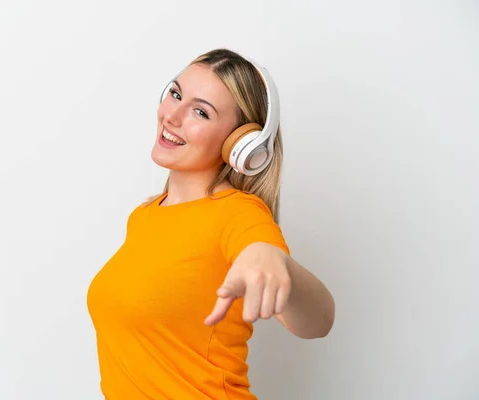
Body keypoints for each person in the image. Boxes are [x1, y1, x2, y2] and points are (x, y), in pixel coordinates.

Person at [87, 48, 335, 399]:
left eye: (200, 112)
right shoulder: (144, 217)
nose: (172, 116)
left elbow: (319, 320)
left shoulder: (239, 214)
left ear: (240, 144)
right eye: (175, 94)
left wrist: (273, 259)